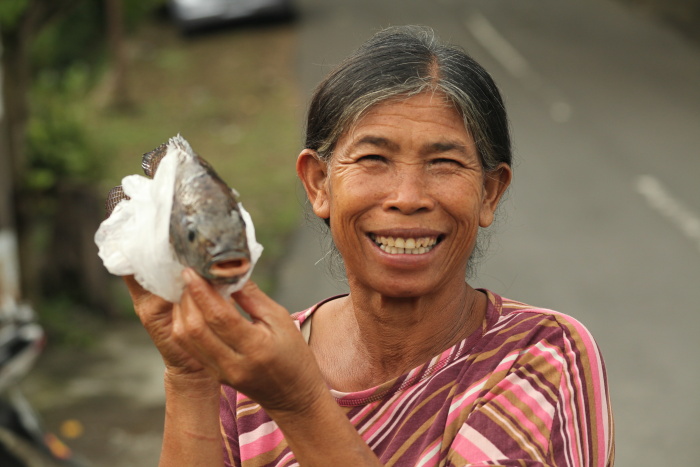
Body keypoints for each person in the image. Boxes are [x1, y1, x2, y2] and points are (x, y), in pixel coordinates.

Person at [125, 26, 615, 466]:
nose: (408, 198)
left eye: (444, 163)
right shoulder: (251, 367)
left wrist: (299, 403)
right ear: (318, 184)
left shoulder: (542, 356)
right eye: (374, 158)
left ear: (489, 193)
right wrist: (191, 375)